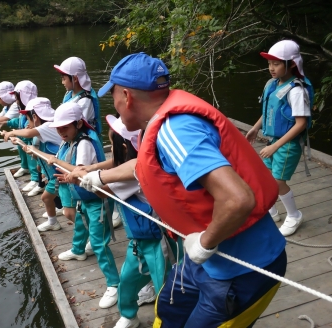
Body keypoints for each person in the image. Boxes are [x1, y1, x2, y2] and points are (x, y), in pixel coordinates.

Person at [80, 52, 287, 327]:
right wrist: (100, 177)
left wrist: (204, 243)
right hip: (204, 260)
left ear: (127, 96)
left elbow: (238, 200)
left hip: (243, 267)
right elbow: (146, 166)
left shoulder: (176, 131)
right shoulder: (162, 124)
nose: (114, 103)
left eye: (114, 96)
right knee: (168, 313)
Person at [68, 115, 180, 328]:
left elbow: (103, 192)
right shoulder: (134, 162)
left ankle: (169, 321)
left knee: (167, 289)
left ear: (123, 147)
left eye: (111, 145)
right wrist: (89, 170)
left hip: (157, 243)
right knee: (127, 283)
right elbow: (113, 165)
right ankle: (129, 315)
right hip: (138, 242)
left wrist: (80, 177)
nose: (110, 151)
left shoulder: (133, 175)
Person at [37, 102, 121, 309]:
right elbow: (63, 165)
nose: (60, 131)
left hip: (97, 200)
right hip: (82, 197)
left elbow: (79, 170)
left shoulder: (84, 143)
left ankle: (114, 284)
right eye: (58, 128)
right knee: (80, 226)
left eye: (65, 127)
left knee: (99, 243)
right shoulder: (68, 141)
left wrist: (63, 169)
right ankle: (78, 250)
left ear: (77, 124)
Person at [246, 40, 314, 236]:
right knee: (266, 177)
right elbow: (270, 110)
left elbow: (300, 124)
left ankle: (294, 215)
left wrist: (275, 147)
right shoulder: (274, 85)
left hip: (287, 144)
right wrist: (255, 128)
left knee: (278, 181)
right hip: (272, 140)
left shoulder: (296, 90)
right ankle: (271, 210)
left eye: (276, 64)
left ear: (291, 64)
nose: (271, 68)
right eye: (269, 64)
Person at [1, 97, 64, 231]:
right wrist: (21, 143)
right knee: (52, 198)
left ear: (35, 117)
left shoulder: (47, 126)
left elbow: (29, 133)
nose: (27, 123)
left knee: (47, 198)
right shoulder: (45, 128)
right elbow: (35, 153)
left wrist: (11, 132)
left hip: (59, 173)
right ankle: (55, 218)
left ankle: (55, 221)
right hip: (52, 173)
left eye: (28, 119)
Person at [6, 81, 42, 192]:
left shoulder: (34, 109)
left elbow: (28, 130)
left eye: (18, 97)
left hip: (33, 143)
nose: (16, 101)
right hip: (25, 141)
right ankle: (31, 174)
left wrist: (13, 133)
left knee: (33, 157)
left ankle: (36, 179)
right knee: (27, 153)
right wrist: (9, 124)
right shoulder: (22, 110)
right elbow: (20, 122)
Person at [53, 57, 102, 134]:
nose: (62, 82)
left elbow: (77, 127)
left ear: (75, 79)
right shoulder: (69, 93)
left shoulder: (85, 101)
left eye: (64, 79)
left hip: (82, 139)